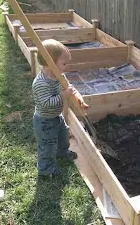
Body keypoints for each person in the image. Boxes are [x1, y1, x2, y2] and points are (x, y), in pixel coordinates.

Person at [32, 39, 88, 177]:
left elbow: (70, 88)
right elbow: (46, 103)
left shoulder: (59, 76)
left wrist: (78, 98)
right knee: (47, 146)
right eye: (64, 63)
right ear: (50, 62)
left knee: (64, 136)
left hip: (57, 116)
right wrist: (63, 96)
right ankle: (45, 170)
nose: (66, 66)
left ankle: (62, 152)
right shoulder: (41, 83)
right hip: (44, 121)